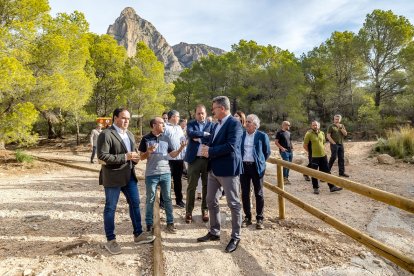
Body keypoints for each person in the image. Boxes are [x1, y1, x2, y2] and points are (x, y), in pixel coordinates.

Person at [97, 107, 155, 255]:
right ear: (115, 118)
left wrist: (137, 157)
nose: (126, 121)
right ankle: (111, 240)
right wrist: (125, 157)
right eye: (123, 118)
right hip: (113, 177)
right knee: (111, 207)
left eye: (128, 119)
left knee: (135, 204)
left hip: (129, 176)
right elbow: (102, 156)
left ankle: (138, 234)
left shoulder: (129, 134)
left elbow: (133, 154)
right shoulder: (106, 134)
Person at [197, 96, 243, 254]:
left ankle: (236, 236)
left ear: (222, 109)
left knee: (234, 204)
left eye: (214, 108)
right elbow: (214, 143)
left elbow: (232, 146)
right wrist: (206, 148)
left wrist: (210, 151)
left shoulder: (235, 124)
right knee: (210, 200)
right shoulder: (216, 125)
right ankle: (214, 231)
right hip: (213, 169)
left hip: (228, 170)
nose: (212, 111)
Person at [138, 117, 186, 234]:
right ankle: (149, 224)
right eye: (162, 124)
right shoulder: (146, 138)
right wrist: (148, 151)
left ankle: (170, 223)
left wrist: (180, 148)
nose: (164, 126)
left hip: (166, 173)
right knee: (150, 199)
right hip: (151, 174)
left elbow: (172, 155)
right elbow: (141, 157)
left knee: (168, 199)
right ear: (154, 125)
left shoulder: (166, 138)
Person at [184, 104, 215, 223]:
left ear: (206, 114)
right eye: (198, 113)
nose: (201, 115)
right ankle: (189, 212)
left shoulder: (212, 125)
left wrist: (200, 137)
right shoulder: (191, 124)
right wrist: (204, 135)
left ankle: (205, 210)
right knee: (191, 186)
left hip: (207, 159)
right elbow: (191, 134)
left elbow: (212, 139)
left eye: (202, 113)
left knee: (207, 186)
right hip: (194, 159)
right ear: (195, 114)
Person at [240, 114, 270, 230]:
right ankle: (247, 217)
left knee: (258, 193)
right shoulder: (242, 135)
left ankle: (259, 218)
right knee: (245, 193)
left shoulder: (262, 136)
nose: (246, 123)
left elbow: (266, 152)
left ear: (255, 125)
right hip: (243, 167)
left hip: (256, 168)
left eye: (249, 122)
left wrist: (260, 162)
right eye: (246, 121)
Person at [303, 121, 343, 195]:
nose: (315, 126)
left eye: (316, 125)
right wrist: (310, 153)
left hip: (323, 156)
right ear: (311, 126)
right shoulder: (308, 134)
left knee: (327, 172)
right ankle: (315, 188)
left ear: (319, 126)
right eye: (313, 125)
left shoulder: (322, 133)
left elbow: (323, 143)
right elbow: (305, 145)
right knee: (314, 173)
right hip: (314, 157)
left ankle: (332, 187)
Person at [161, 110, 186, 208]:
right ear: (172, 117)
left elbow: (182, 139)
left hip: (179, 158)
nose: (179, 118)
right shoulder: (165, 127)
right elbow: (163, 143)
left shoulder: (179, 128)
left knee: (178, 180)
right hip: (168, 159)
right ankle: (162, 202)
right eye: (178, 116)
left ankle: (179, 200)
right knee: (166, 180)